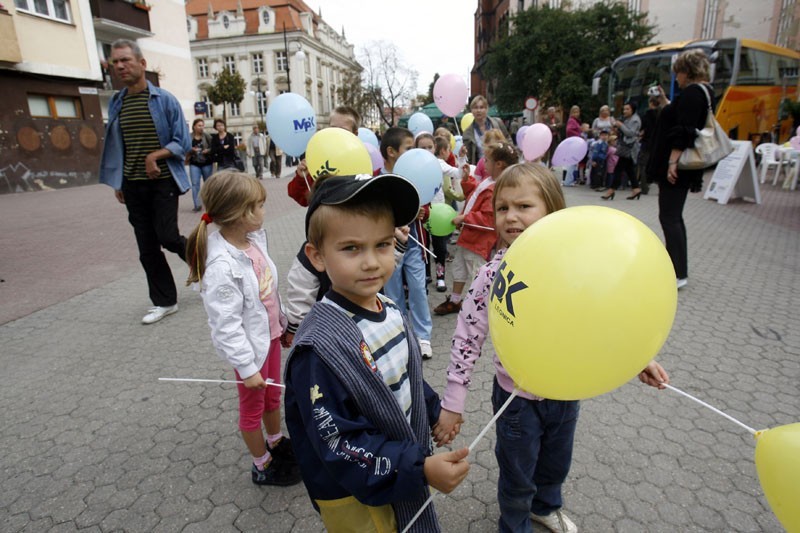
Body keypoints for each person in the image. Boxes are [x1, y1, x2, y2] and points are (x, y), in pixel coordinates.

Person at [433, 163, 672, 533]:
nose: (510, 217)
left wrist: (636, 358)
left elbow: (605, 316)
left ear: (553, 212)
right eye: (502, 208)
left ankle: (546, 507)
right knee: (517, 473)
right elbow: (467, 336)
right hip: (516, 400)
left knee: (556, 464)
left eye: (524, 206)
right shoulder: (494, 275)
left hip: (566, 391)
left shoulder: (575, 268)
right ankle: (514, 524)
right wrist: (453, 401)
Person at [284, 174, 471, 532]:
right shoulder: (319, 349)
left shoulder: (389, 308)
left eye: (383, 244)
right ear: (317, 256)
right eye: (352, 248)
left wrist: (434, 411)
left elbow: (401, 377)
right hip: (357, 494)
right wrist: (418, 468)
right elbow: (339, 442)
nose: (371, 262)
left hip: (399, 467)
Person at [185, 171, 302, 487]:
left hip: (271, 339)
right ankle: (261, 465)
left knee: (272, 397)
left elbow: (269, 294)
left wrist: (284, 325)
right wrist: (247, 367)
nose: (265, 211)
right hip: (250, 352)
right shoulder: (222, 265)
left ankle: (275, 441)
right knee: (253, 407)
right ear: (243, 213)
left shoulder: (253, 242)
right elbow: (226, 325)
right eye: (260, 205)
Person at [98, 38, 190, 325]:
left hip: (163, 181)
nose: (120, 66)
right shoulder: (117, 103)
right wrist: (118, 181)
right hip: (132, 185)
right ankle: (165, 301)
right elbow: (117, 145)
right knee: (147, 247)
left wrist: (156, 156)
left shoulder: (164, 100)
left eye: (125, 60)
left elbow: (182, 142)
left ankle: (205, 263)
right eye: (115, 62)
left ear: (142, 63)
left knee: (167, 236)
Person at [647, 49, 713, 290]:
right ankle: (675, 267)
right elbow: (679, 116)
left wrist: (673, 162)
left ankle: (676, 271)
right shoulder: (703, 92)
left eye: (679, 73)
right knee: (673, 217)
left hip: (678, 167)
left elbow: (683, 130)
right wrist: (666, 101)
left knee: (670, 217)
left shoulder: (693, 93)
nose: (677, 78)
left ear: (687, 72)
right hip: (683, 166)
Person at [434, 142, 518, 316]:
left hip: (480, 241)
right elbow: (474, 195)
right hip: (469, 237)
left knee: (477, 274)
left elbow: (488, 217)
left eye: (486, 160)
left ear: (499, 164)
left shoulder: (499, 188)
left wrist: (464, 218)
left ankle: (478, 305)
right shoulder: (489, 181)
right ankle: (456, 300)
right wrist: (467, 180)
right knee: (459, 268)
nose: (483, 163)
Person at [381, 128, 434, 359]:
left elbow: (425, 202)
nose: (414, 153)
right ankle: (399, 333)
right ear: (392, 152)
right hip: (389, 246)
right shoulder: (378, 178)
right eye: (409, 148)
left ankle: (423, 337)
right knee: (392, 293)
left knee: (418, 289)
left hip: (413, 244)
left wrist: (423, 212)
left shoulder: (414, 174)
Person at [287, 106, 361, 207]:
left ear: (355, 133)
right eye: (333, 128)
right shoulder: (320, 156)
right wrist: (301, 178)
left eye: (343, 130)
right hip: (323, 219)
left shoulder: (361, 158)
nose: (336, 134)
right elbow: (299, 196)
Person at [603, 101, 642, 200]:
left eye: (627, 109)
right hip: (624, 146)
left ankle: (611, 189)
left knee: (618, 168)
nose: (625, 111)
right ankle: (636, 188)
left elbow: (630, 133)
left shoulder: (635, 120)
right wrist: (616, 128)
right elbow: (623, 133)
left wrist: (620, 125)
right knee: (629, 169)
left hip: (629, 148)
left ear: (633, 109)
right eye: (624, 109)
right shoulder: (627, 119)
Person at [463, 95, 510, 164]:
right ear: (471, 110)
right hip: (481, 168)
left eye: (481, 107)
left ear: (487, 109)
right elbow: (468, 157)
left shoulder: (498, 123)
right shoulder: (467, 133)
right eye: (475, 108)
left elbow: (508, 140)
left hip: (500, 165)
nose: (478, 110)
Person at [186, 118, 213, 212]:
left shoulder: (207, 136)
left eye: (202, 125)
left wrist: (207, 151)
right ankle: (197, 205)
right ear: (194, 126)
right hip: (194, 163)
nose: (201, 127)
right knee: (195, 184)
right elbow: (185, 147)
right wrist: (191, 149)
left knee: (208, 184)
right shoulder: (189, 136)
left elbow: (213, 147)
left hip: (207, 163)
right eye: (199, 125)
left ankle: (210, 204)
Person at [637, 96, 661, 195]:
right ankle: (661, 186)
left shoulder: (647, 114)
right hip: (658, 144)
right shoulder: (662, 113)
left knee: (643, 165)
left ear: (651, 103)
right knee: (658, 165)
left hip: (647, 143)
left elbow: (642, 127)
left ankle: (644, 187)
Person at [562, 105, 583, 186]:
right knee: (572, 162)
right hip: (573, 143)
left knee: (573, 163)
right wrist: (578, 135)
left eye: (577, 112)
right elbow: (569, 130)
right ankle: (568, 181)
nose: (576, 114)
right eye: (574, 112)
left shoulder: (575, 121)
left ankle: (569, 180)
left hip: (573, 142)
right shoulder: (572, 121)